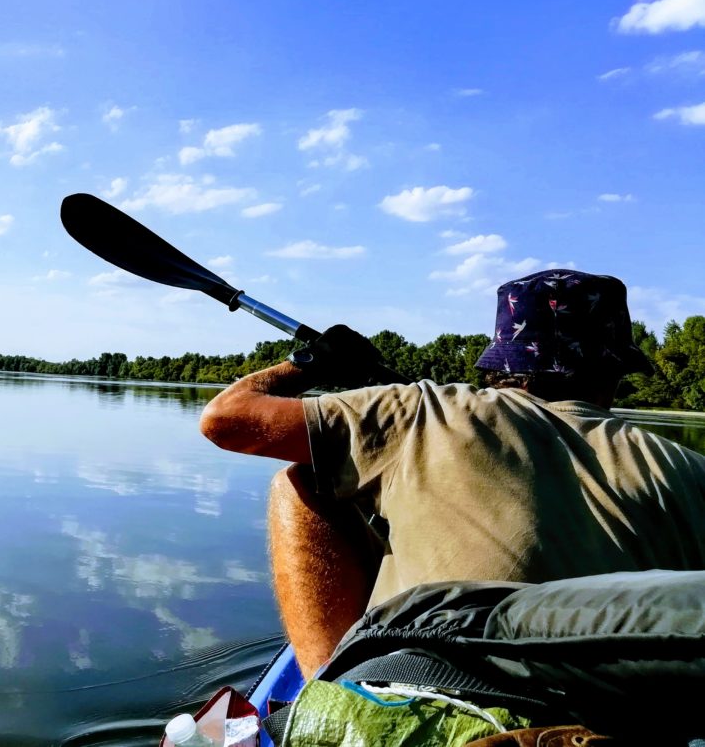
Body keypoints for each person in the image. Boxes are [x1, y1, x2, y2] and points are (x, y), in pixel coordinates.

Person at [199, 269, 705, 678]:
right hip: (608, 724)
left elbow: (226, 420)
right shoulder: (692, 470)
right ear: (616, 369)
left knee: (304, 482)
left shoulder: (428, 410)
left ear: (500, 360)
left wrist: (309, 364)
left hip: (438, 693)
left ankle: (326, 699)